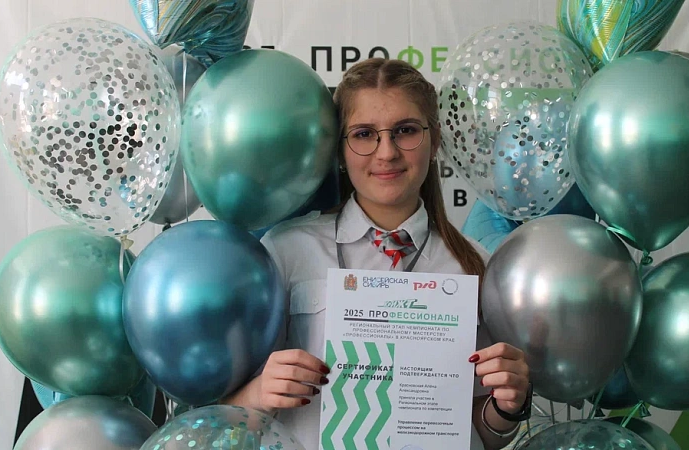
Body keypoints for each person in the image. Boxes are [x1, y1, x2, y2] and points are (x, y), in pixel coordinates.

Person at [221, 58, 531, 450]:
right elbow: (222, 420)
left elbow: (477, 433)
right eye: (364, 134)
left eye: (405, 130)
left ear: (434, 140)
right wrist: (258, 393)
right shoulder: (287, 250)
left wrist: (506, 407)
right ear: (339, 149)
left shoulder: (474, 264)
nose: (387, 153)